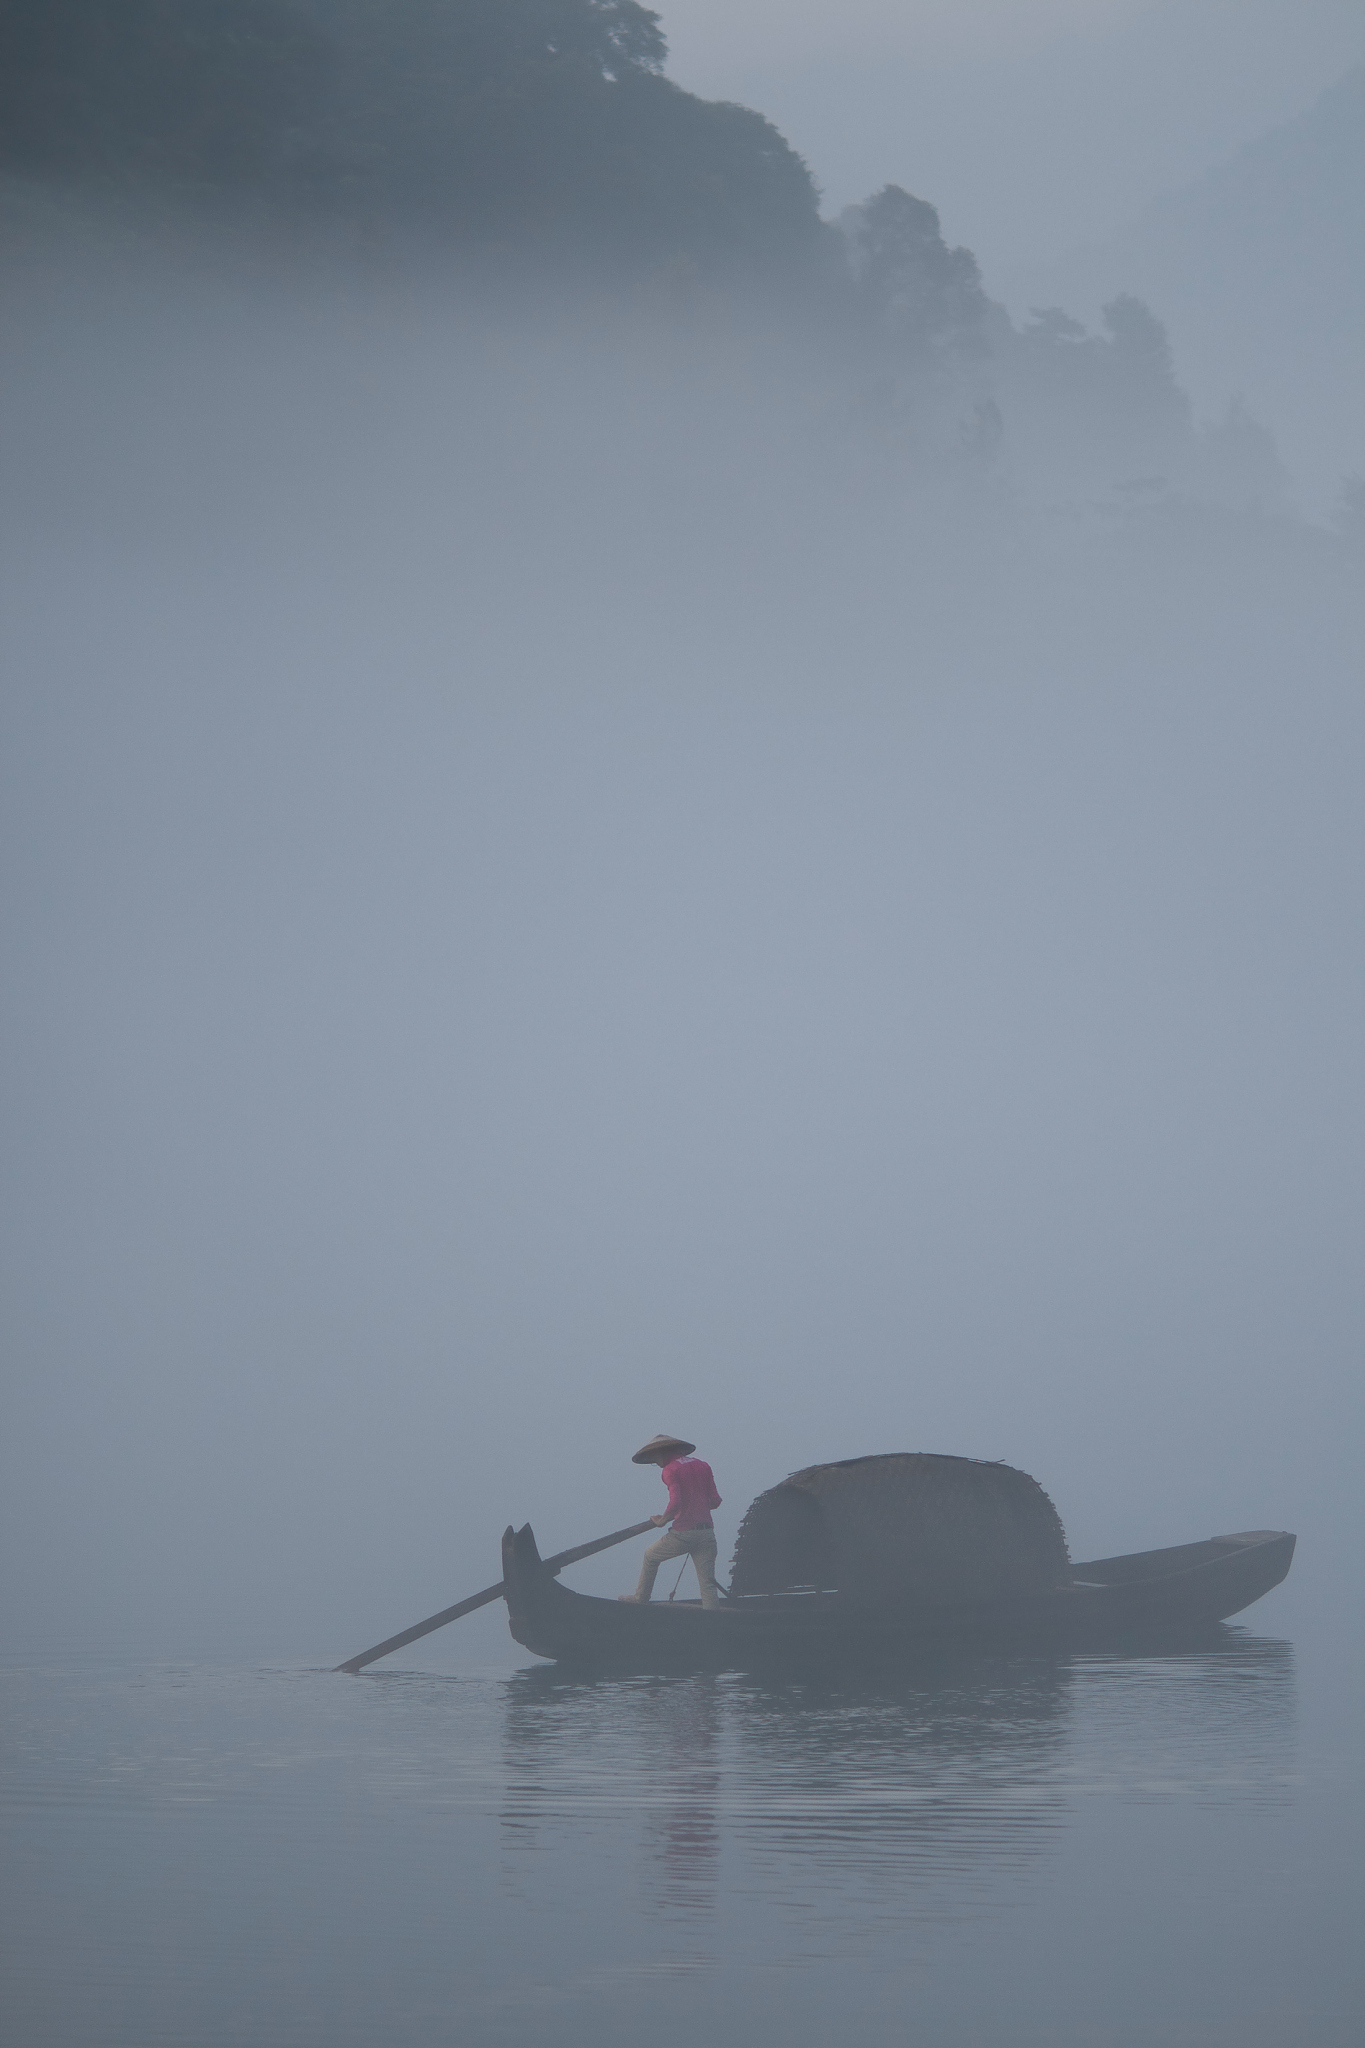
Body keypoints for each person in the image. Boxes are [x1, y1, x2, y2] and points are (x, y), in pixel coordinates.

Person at [619, 1434, 722, 1609]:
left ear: (664, 1452)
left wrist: (663, 1519)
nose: (655, 1461)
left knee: (650, 1556)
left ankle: (640, 1599)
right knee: (708, 1584)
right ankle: (713, 1620)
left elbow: (676, 1501)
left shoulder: (670, 1470)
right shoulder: (703, 1465)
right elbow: (715, 1501)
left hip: (683, 1534)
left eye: (655, 1457)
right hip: (706, 1533)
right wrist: (695, 1505)